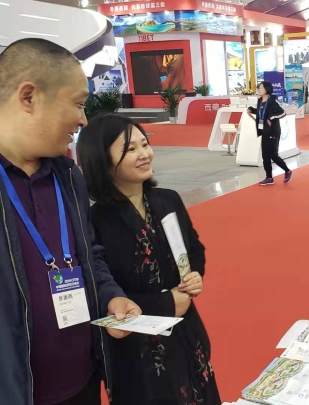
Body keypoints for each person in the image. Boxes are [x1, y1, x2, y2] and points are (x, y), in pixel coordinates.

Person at [0, 38, 141, 405]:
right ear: (29, 97)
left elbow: (88, 255)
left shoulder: (67, 175)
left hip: (82, 386)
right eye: (78, 104)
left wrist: (109, 295)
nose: (83, 120)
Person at [77, 114, 221, 405]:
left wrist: (195, 275)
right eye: (130, 149)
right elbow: (102, 292)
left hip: (186, 329)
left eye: (145, 144)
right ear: (102, 160)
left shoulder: (167, 200)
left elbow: (194, 249)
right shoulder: (96, 220)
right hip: (138, 347)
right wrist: (166, 303)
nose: (144, 154)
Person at [248, 81, 293, 186]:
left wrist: (271, 118)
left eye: (261, 88)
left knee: (274, 155)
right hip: (264, 131)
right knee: (265, 156)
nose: (259, 89)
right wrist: (252, 110)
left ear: (267, 89)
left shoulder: (272, 100)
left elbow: (282, 112)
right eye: (259, 88)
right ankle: (269, 177)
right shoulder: (260, 100)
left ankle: (287, 170)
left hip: (273, 131)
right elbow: (260, 111)